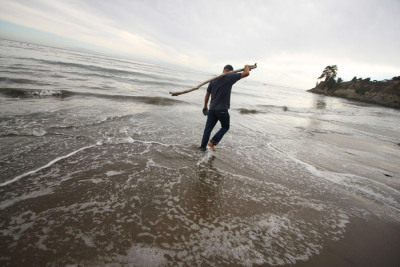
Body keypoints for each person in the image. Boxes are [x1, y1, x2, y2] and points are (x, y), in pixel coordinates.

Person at [200, 64, 250, 151]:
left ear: (223, 70)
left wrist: (205, 106)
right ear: (231, 71)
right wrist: (247, 66)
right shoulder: (230, 76)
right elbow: (246, 73)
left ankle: (202, 148)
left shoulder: (214, 80)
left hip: (211, 109)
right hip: (222, 109)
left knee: (207, 129)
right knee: (225, 127)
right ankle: (213, 142)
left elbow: (207, 94)